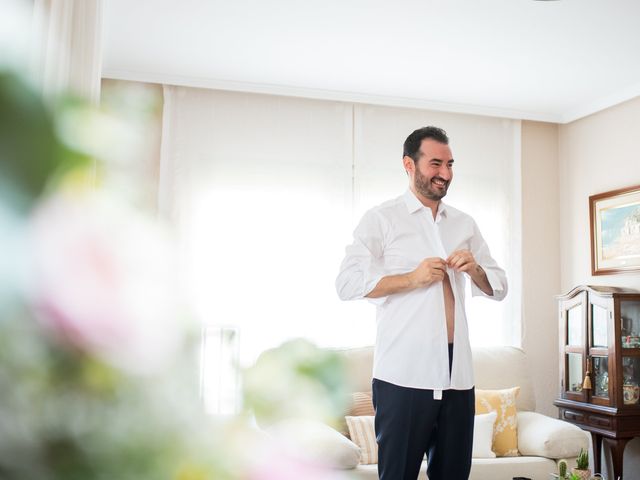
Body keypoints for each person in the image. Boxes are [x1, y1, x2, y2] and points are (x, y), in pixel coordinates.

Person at [335, 126, 508, 480]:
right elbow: (347, 283)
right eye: (435, 164)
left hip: (457, 373)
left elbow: (500, 286)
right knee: (398, 474)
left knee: (453, 474)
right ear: (409, 165)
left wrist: (475, 269)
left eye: (449, 164)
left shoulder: (464, 223)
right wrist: (412, 279)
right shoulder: (382, 219)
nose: (445, 174)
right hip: (404, 374)